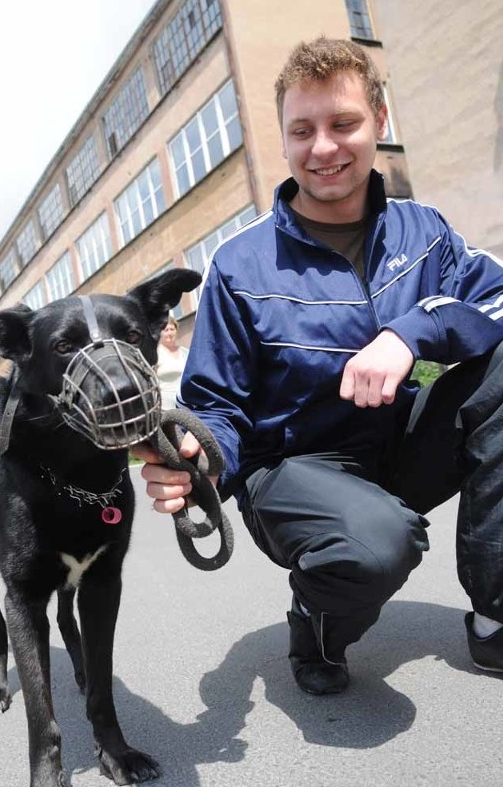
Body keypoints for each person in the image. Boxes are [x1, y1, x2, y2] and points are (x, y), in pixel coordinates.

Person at [133, 35, 503, 696]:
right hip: (295, 471)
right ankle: (317, 622)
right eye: (302, 129)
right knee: (379, 541)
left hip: (398, 442)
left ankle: (496, 608)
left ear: (380, 124)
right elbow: (217, 402)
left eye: (343, 123)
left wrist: (412, 331)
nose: (324, 147)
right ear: (282, 139)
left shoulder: (425, 232)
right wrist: (195, 461)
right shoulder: (241, 265)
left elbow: (495, 301)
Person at [156, 315, 189, 411]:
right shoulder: (155, 354)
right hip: (165, 409)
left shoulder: (186, 352)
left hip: (187, 406)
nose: (170, 333)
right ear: (160, 333)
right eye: (166, 330)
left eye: (172, 329)